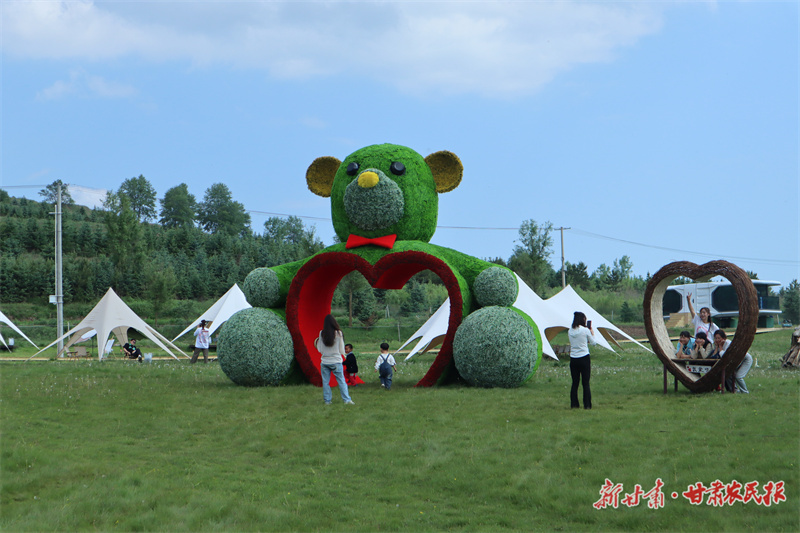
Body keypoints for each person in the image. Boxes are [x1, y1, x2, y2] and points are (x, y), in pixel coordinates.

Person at [314, 314, 354, 405]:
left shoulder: (321, 333)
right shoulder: (339, 333)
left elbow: (320, 349)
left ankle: (327, 401)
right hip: (336, 361)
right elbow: (341, 349)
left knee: (325, 382)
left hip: (325, 362)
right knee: (341, 381)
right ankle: (347, 400)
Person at [568, 311, 596, 409]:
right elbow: (593, 343)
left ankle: (574, 404)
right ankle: (587, 405)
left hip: (573, 358)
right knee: (585, 383)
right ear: (582, 320)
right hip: (584, 357)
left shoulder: (570, 331)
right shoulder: (585, 330)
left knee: (575, 383)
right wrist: (592, 333)